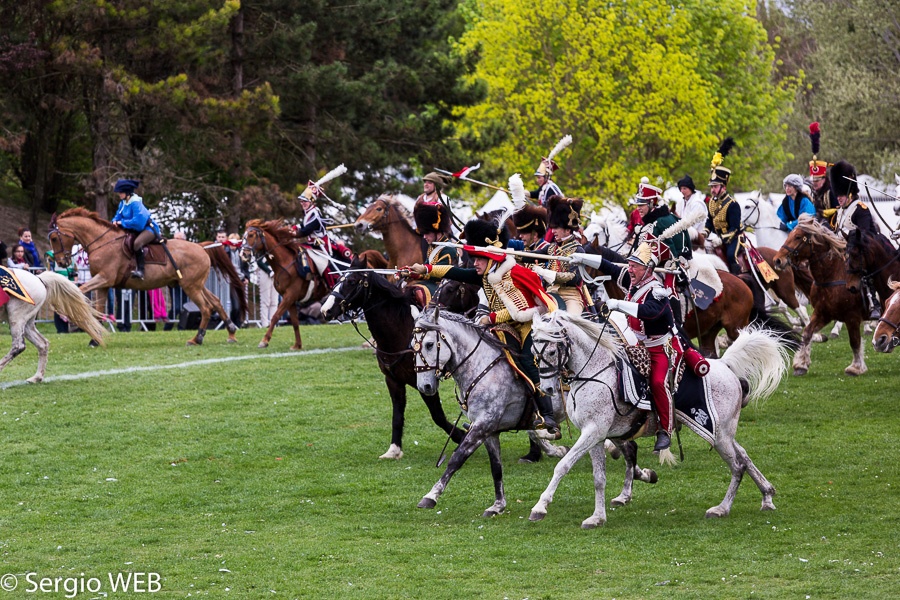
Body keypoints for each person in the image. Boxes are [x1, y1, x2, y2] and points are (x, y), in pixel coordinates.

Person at [405, 218, 561, 438]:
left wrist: (493, 317)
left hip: (526, 325)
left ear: (489, 258)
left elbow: (523, 309)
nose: (474, 264)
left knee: (526, 360)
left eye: (478, 259)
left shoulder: (510, 275)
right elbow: (455, 272)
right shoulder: (485, 274)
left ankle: (547, 415)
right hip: (501, 325)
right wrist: (425, 269)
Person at [602, 242, 677, 453]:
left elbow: (648, 311)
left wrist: (617, 303)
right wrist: (582, 259)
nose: (629, 269)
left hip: (659, 348)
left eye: (635, 266)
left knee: (658, 382)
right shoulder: (633, 279)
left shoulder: (658, 291)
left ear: (648, 269)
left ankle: (665, 429)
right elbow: (609, 267)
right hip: (635, 344)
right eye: (630, 264)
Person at [830, 160, 881, 319]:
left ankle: (875, 304)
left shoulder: (860, 209)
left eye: (841, 195)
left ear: (850, 193)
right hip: (844, 252)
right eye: (837, 195)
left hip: (862, 251)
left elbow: (865, 234)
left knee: (861, 269)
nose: (838, 198)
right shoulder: (840, 212)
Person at [528, 196, 591, 315]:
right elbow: (533, 256)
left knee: (571, 323)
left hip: (570, 296)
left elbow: (574, 278)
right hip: (550, 293)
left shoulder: (578, 250)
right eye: (552, 228)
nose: (552, 231)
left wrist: (544, 272)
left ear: (568, 229)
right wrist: (507, 254)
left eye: (556, 228)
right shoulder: (552, 247)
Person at [295, 181, 354, 280]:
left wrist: (293, 233)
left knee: (323, 265)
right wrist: (292, 228)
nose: (302, 203)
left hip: (321, 245)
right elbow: (302, 225)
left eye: (304, 201)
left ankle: (329, 283)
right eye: (301, 201)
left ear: (311, 201)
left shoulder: (315, 214)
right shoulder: (308, 213)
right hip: (312, 243)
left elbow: (305, 231)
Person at [702, 138, 742, 276]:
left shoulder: (732, 204)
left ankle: (739, 278)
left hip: (733, 238)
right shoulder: (712, 202)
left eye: (715, 187)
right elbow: (709, 220)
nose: (712, 190)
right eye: (712, 187)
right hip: (715, 237)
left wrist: (722, 239)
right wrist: (705, 232)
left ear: (723, 187)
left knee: (731, 256)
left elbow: (735, 229)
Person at [110, 179, 160, 279]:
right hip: (135, 229)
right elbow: (118, 215)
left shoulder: (135, 203)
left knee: (137, 243)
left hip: (148, 229)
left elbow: (138, 223)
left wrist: (121, 223)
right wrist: (114, 221)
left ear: (127, 192)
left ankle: (141, 270)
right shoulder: (123, 203)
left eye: (121, 192)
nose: (119, 194)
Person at [410, 201, 457, 304]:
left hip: (443, 288)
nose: (424, 237)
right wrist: (410, 271)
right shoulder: (432, 246)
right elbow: (426, 265)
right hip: (429, 283)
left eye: (426, 233)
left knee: (418, 292)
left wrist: (419, 275)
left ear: (436, 230)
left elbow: (439, 274)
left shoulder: (449, 249)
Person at [808, 122, 839, 223]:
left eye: (817, 180)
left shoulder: (832, 191)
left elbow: (839, 208)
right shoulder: (812, 192)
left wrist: (824, 213)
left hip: (833, 224)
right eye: (813, 180)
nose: (815, 182)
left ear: (824, 179)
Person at [674, 175, 706, 247]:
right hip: (683, 234)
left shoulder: (697, 203)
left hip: (699, 236)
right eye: (681, 189)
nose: (682, 191)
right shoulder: (680, 202)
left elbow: (694, 225)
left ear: (691, 189)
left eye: (684, 188)